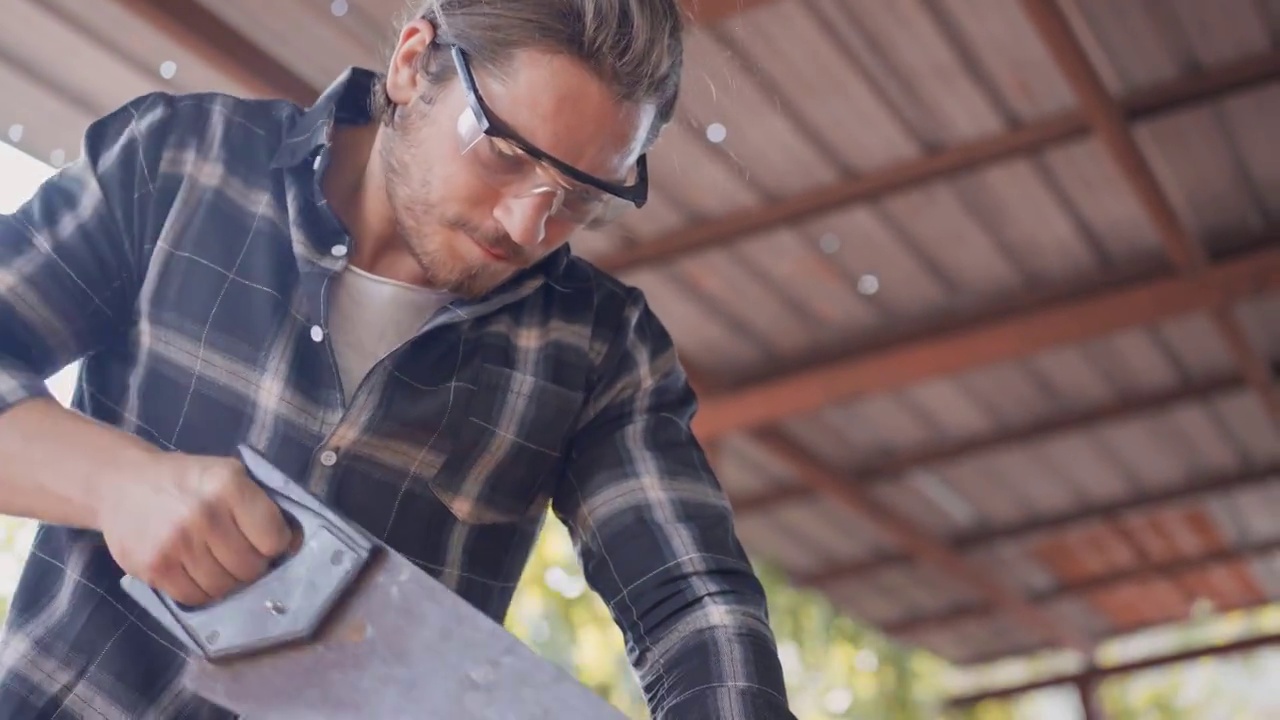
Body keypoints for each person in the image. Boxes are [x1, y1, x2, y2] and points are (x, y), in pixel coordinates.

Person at [0, 1, 795, 718]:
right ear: (414, 62)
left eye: (582, 195)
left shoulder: (599, 351)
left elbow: (691, 603)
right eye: (504, 153)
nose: (526, 226)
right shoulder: (181, 163)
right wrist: (115, 483)